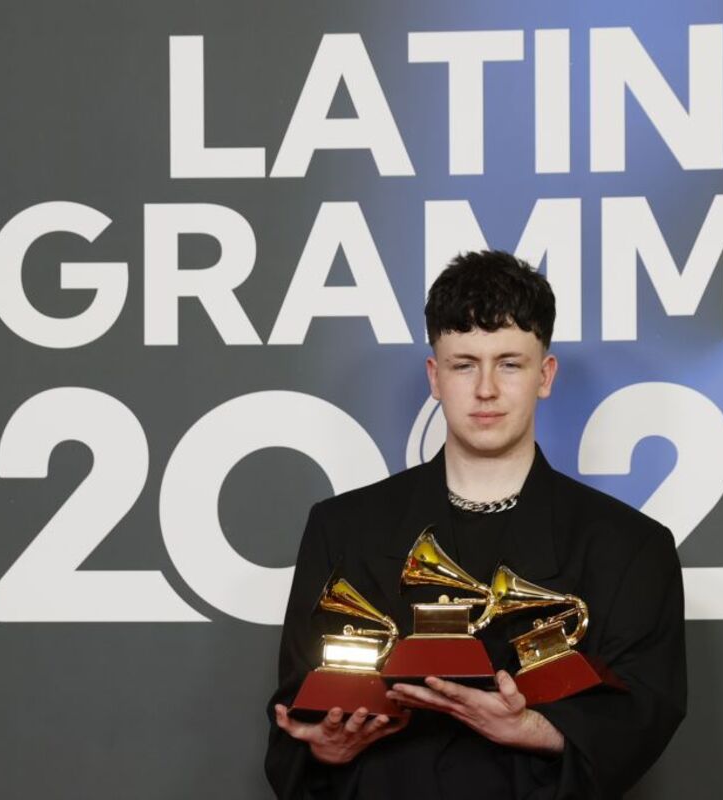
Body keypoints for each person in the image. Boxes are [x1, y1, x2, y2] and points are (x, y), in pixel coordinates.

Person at [265, 250, 686, 799]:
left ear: (545, 375)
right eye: (465, 365)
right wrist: (323, 747)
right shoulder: (340, 528)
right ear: (435, 377)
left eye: (510, 363)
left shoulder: (632, 547)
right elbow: (298, 709)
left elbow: (645, 714)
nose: (486, 389)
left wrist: (533, 728)